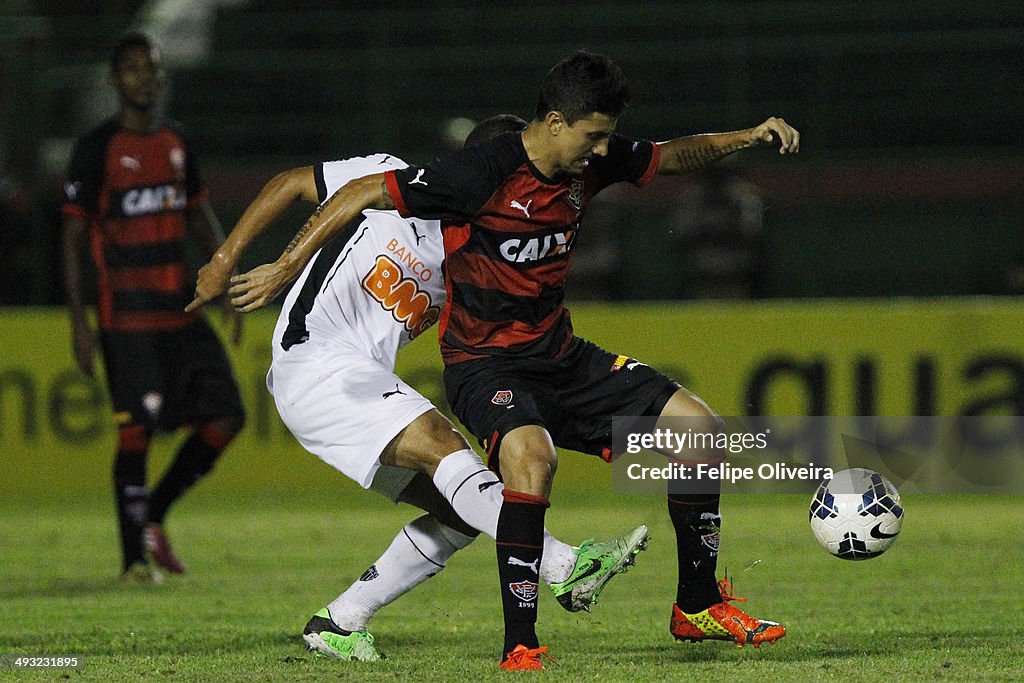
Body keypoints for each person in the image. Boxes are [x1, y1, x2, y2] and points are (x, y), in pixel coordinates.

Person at [205, 51, 799, 670]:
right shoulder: (462, 181)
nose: (600, 150)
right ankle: (551, 586)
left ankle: (341, 619)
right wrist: (272, 265)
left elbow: (669, 155)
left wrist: (748, 136)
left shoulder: (563, 177)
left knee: (477, 503)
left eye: (603, 138)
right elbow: (347, 191)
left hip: (544, 358)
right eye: (592, 136)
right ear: (550, 124)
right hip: (342, 366)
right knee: (479, 463)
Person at [188, 114, 648, 662]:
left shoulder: (477, 246)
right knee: (448, 451)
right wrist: (225, 260)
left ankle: (340, 620)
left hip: (355, 382)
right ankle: (564, 565)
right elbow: (289, 184)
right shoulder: (386, 175)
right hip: (315, 362)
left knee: (462, 511)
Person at [61, 32, 245, 582]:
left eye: (153, 69)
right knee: (134, 432)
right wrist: (80, 323)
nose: (145, 78)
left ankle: (154, 515)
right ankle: (133, 561)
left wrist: (226, 280)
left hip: (183, 313)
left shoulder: (177, 143)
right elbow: (71, 242)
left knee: (227, 417)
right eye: (134, 69)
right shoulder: (97, 149)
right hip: (128, 320)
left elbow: (198, 217)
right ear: (117, 80)